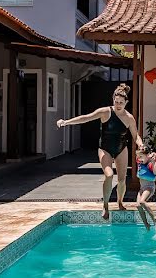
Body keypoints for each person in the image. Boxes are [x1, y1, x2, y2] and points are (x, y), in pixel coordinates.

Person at [57, 84, 142, 220]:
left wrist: (141, 144)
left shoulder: (129, 118)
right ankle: (105, 205)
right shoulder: (105, 112)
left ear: (126, 102)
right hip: (105, 149)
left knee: (121, 180)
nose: (118, 104)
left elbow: (135, 135)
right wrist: (66, 122)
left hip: (121, 148)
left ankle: (120, 202)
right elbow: (86, 117)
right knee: (109, 175)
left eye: (121, 102)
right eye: (116, 101)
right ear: (113, 99)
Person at [135, 146, 156, 230]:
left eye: (141, 156)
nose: (139, 158)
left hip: (149, 187)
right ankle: (146, 224)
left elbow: (155, 172)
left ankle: (155, 218)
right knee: (138, 205)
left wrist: (154, 160)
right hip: (142, 188)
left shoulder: (151, 164)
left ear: (147, 155)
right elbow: (140, 151)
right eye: (139, 156)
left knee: (142, 201)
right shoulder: (140, 162)